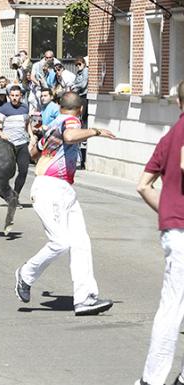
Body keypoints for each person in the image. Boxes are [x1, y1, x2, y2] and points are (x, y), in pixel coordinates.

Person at [14, 91, 116, 316]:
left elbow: (33, 153)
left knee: (81, 243)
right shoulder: (72, 121)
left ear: (60, 106)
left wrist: (44, 146)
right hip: (51, 189)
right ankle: (25, 274)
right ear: (80, 110)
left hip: (63, 189)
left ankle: (85, 298)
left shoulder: (52, 125)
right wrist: (96, 131)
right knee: (60, 242)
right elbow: (70, 136)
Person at [135, 81, 184, 385]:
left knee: (174, 304)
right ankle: (151, 380)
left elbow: (142, 184)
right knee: (173, 307)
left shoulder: (170, 135)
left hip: (174, 228)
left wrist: (167, 211)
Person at [0, 85, 33, 197]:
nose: (14, 98)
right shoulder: (5, 108)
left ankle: (15, 195)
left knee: (23, 171)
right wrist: (1, 135)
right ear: (9, 96)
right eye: (12, 96)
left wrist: (31, 136)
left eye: (17, 96)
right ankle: (4, 192)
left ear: (21, 96)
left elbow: (27, 124)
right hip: (8, 145)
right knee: (7, 172)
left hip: (22, 144)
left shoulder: (25, 108)